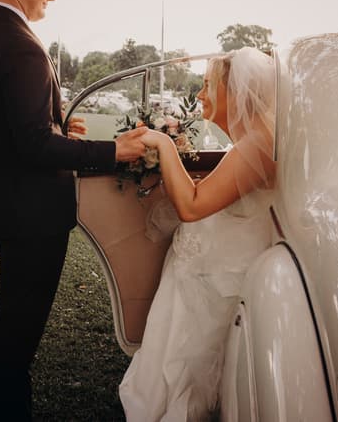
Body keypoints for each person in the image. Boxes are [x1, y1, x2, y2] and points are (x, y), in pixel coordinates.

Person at [0, 0, 147, 421]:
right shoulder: (23, 48)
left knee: (13, 328)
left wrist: (56, 126)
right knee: (18, 343)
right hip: (34, 219)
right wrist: (114, 150)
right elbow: (34, 147)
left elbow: (6, 128)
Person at [119, 47, 277, 421]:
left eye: (209, 86)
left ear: (235, 92)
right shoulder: (251, 139)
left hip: (226, 269)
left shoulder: (259, 142)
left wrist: (165, 145)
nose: (202, 95)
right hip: (217, 256)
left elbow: (191, 206)